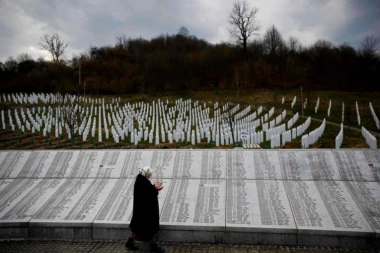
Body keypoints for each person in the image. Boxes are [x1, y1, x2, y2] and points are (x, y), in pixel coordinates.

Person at [126, 166, 165, 252]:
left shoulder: (141, 180)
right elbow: (147, 194)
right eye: (149, 174)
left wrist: (154, 187)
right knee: (148, 229)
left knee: (137, 228)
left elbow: (147, 191)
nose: (150, 175)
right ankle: (153, 246)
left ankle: (129, 242)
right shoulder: (142, 182)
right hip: (145, 211)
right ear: (145, 173)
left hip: (141, 210)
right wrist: (155, 189)